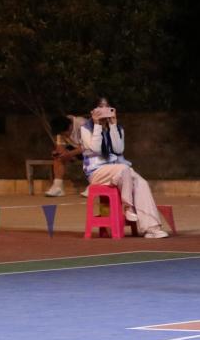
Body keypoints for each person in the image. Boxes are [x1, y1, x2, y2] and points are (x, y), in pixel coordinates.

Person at [78, 100, 168, 238]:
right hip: (97, 172)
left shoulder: (117, 128)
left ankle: (152, 228)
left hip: (118, 171)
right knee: (124, 169)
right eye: (100, 107)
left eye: (107, 107)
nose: (104, 110)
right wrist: (97, 125)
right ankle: (127, 207)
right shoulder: (86, 128)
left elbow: (118, 149)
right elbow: (96, 149)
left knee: (141, 183)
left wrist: (113, 126)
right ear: (93, 111)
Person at [44, 114, 84, 197]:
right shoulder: (61, 129)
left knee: (92, 155)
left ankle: (94, 185)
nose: (64, 136)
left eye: (64, 133)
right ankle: (58, 187)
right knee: (58, 157)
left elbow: (89, 146)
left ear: (70, 126)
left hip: (93, 149)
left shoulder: (82, 124)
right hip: (77, 148)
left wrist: (70, 154)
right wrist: (58, 153)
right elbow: (60, 146)